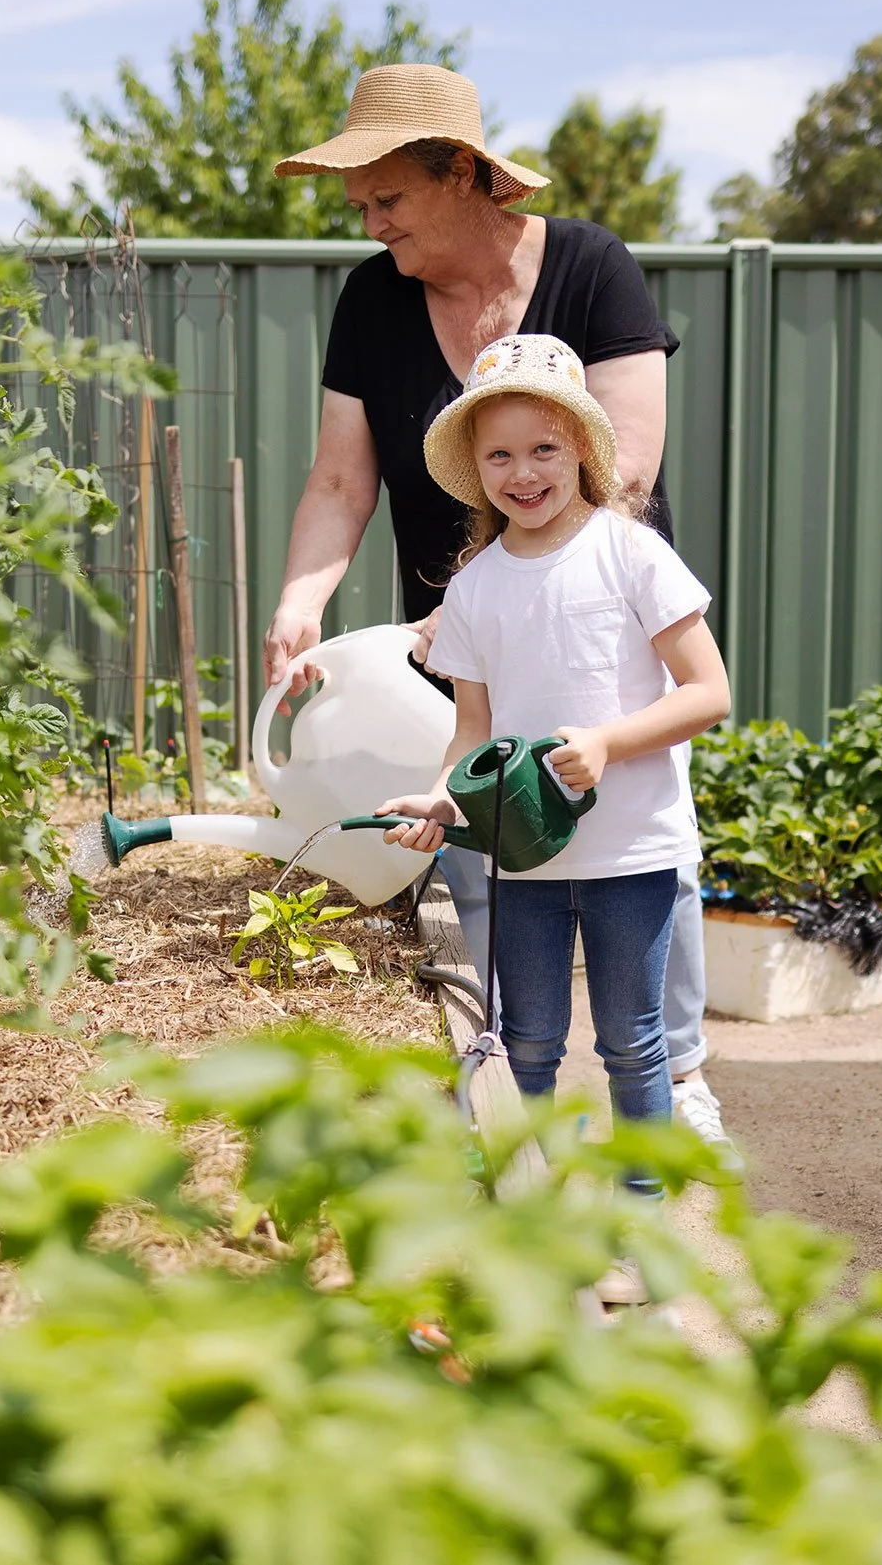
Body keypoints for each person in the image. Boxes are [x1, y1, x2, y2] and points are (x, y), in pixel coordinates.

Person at [263, 64, 729, 1149]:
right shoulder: (373, 299)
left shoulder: (593, 267)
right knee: (483, 834)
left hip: (602, 621)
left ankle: (681, 1073)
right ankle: (504, 1080)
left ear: (464, 173)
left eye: (390, 200)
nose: (372, 225)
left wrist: (502, 579)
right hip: (464, 638)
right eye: (361, 207)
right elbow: (341, 479)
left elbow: (628, 466)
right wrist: (302, 598)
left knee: (648, 847)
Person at [374, 335, 729, 1170]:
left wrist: (607, 741)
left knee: (634, 1045)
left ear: (580, 447)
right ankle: (524, 1215)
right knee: (526, 1042)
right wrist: (441, 801)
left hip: (633, 851)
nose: (523, 471)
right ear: (475, 465)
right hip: (522, 856)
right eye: (499, 453)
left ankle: (639, 1218)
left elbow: (708, 692)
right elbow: (471, 736)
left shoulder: (633, 553)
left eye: (544, 447)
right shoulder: (472, 590)